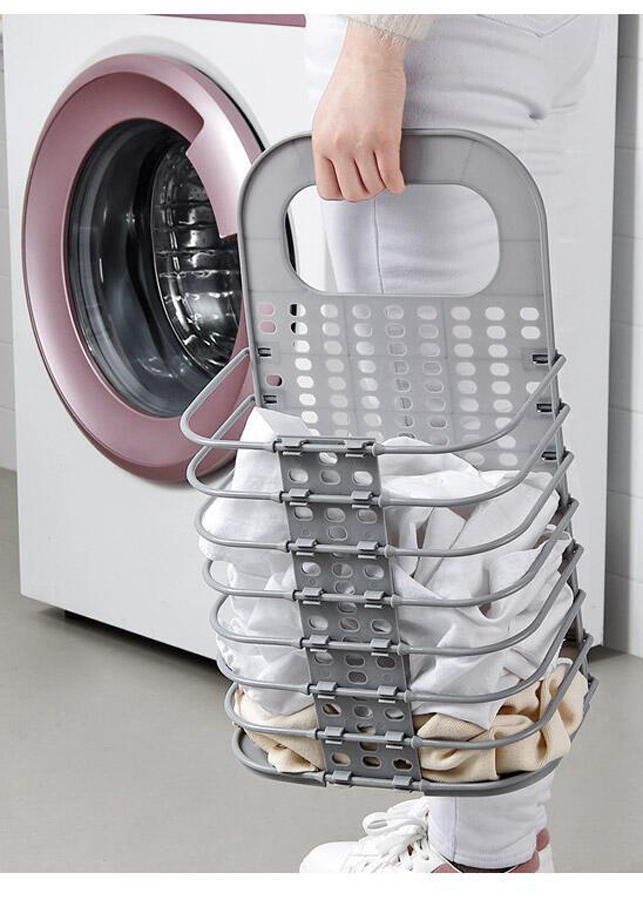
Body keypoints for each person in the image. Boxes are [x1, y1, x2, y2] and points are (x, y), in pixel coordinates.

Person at [300, 12, 600, 874]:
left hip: (433, 41)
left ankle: (478, 865)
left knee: (442, 481)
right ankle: (494, 838)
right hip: (520, 38)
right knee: (495, 462)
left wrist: (373, 44)